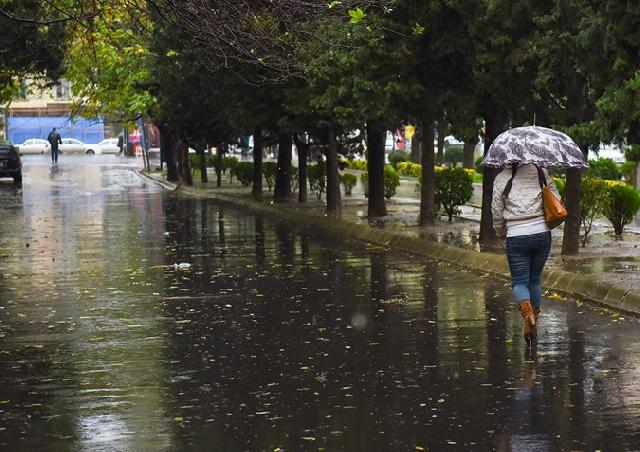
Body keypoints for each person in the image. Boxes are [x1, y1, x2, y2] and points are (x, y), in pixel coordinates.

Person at [492, 163, 560, 346]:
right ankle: (533, 323)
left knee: (519, 282)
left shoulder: (502, 178)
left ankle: (527, 314)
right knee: (535, 280)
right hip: (542, 234)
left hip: (516, 235)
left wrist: (500, 231)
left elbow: (496, 211)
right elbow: (556, 198)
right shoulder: (541, 172)